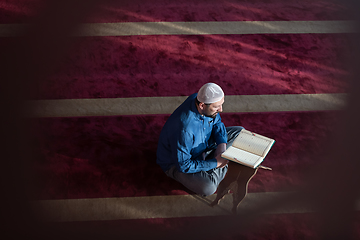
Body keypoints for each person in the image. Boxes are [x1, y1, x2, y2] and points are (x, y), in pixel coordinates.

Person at [156, 83, 244, 196]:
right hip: (178, 163)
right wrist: (216, 163)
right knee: (208, 188)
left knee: (240, 133)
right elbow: (184, 165)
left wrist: (222, 146)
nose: (221, 110)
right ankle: (222, 164)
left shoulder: (198, 100)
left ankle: (218, 164)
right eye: (217, 107)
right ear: (202, 105)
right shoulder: (185, 129)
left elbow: (217, 123)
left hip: (203, 145)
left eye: (221, 105)